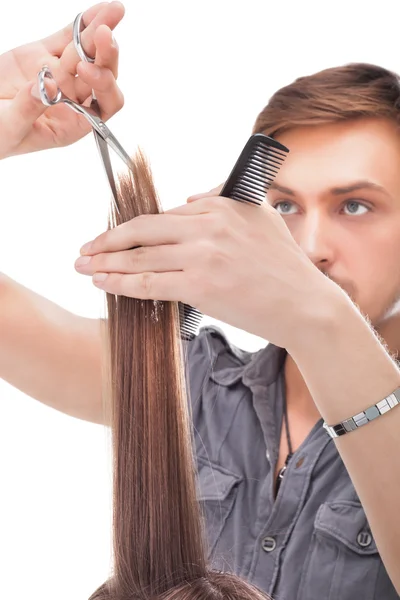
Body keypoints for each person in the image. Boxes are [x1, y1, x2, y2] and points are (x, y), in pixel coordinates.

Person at [1, 3, 400, 600]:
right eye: (284, 206)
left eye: (355, 206)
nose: (310, 249)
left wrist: (320, 318)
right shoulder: (190, 383)